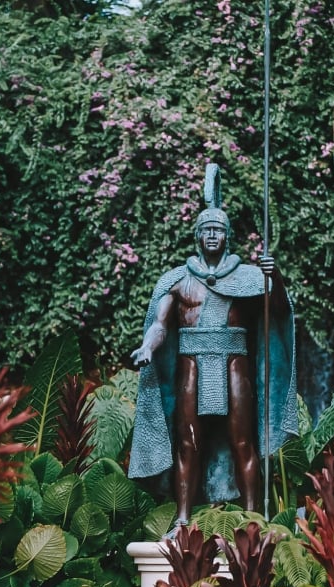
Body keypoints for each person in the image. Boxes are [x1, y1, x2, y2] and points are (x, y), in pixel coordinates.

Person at [128, 164, 298, 529]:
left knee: (242, 442)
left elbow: (279, 312)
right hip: (192, 363)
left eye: (217, 230)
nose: (211, 236)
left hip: (234, 363)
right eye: (205, 230)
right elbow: (160, 324)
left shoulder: (249, 278)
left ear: (227, 237)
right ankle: (183, 519)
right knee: (188, 445)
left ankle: (253, 519)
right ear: (197, 236)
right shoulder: (177, 281)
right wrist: (147, 347)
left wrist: (276, 278)